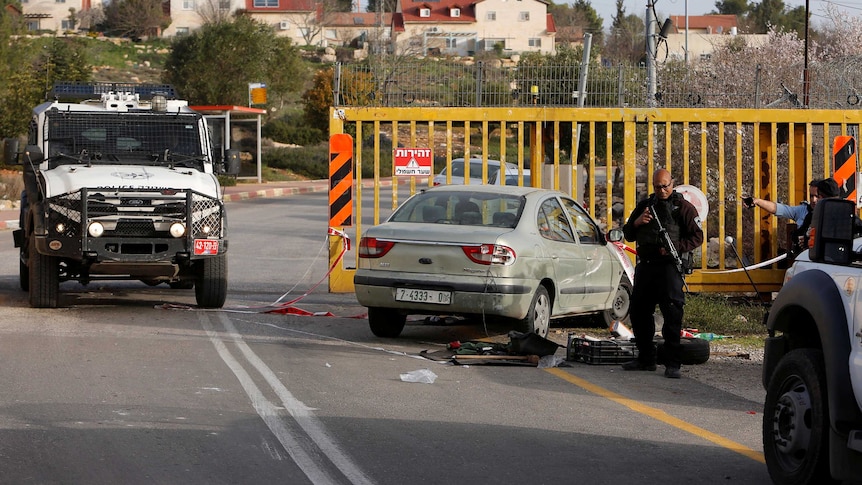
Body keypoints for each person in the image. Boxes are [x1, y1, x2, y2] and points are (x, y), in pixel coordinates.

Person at [621, 168, 704, 379]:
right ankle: (646, 359)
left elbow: (697, 237)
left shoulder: (683, 208)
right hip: (647, 266)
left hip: (669, 267)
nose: (662, 190)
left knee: (672, 314)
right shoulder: (645, 206)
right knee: (639, 312)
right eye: (658, 186)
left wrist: (675, 247)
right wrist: (639, 222)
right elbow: (628, 233)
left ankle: (672, 363)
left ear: (672, 183)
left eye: (665, 186)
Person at [743, 178, 839, 255]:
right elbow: (780, 209)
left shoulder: (839, 215)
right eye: (811, 196)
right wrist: (758, 201)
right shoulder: (804, 211)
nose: (814, 200)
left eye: (818, 196)